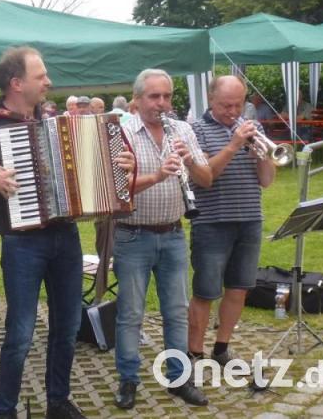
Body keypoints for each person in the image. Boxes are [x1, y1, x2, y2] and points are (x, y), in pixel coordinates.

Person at [0, 46, 134, 419]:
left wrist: (120, 165)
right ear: (17, 83)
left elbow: (95, 171)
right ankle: (5, 410)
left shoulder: (51, 120)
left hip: (64, 236)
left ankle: (57, 402)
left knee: (66, 325)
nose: (49, 81)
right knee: (20, 332)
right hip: (22, 244)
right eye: (41, 76)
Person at [112, 69, 212, 410]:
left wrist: (189, 160)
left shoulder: (182, 129)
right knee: (130, 314)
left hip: (172, 233)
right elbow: (114, 191)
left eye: (167, 96)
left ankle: (179, 378)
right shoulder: (121, 133)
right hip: (132, 234)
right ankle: (128, 380)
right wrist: (156, 175)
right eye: (154, 97)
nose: (162, 103)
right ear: (137, 100)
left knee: (176, 311)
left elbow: (207, 177)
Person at [187, 75, 276, 371]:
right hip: (212, 221)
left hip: (250, 219)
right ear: (211, 100)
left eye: (238, 105)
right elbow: (205, 177)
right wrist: (234, 145)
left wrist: (262, 156)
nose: (233, 111)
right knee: (205, 291)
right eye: (226, 105)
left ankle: (222, 348)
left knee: (239, 288)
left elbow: (266, 181)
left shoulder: (254, 129)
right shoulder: (195, 130)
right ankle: (194, 354)